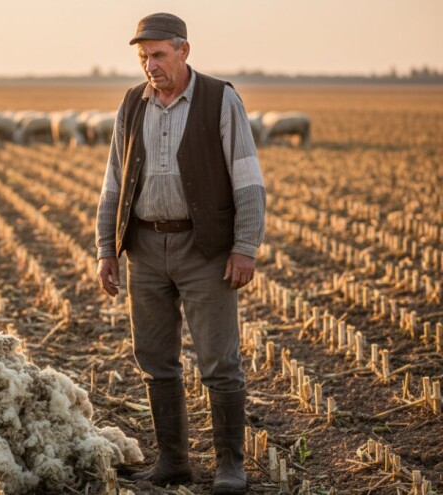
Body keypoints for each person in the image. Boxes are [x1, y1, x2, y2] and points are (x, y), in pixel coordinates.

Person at [94, 12, 265, 494]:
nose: (150, 65)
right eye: (143, 57)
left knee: (219, 362)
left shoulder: (220, 99)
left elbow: (248, 178)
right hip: (145, 248)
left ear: (183, 50)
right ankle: (172, 463)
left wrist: (245, 246)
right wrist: (107, 248)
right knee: (154, 359)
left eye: (159, 55)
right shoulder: (132, 103)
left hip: (204, 248)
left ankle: (230, 466)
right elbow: (113, 182)